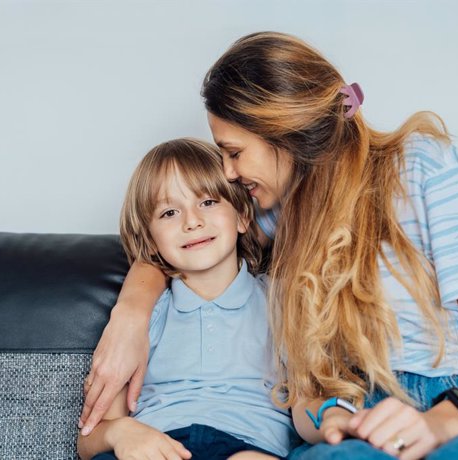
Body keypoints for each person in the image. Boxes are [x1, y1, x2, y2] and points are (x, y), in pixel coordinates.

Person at [81, 32, 458, 459]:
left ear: (283, 133)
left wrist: (438, 423)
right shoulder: (271, 216)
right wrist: (131, 312)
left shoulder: (425, 168)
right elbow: (177, 250)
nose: (227, 173)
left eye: (233, 152)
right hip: (347, 419)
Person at [77, 138, 295, 460]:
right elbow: (89, 438)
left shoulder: (282, 302)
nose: (191, 221)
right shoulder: (144, 320)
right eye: (169, 212)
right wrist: (121, 432)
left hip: (251, 446)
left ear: (242, 217)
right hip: (159, 445)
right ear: (150, 241)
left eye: (208, 202)